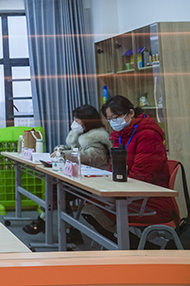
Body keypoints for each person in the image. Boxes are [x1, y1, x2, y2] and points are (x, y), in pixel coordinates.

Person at [81, 95, 174, 248]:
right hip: (129, 193)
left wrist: (113, 190)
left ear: (130, 113)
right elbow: (114, 169)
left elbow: (143, 175)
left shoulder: (148, 134)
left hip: (150, 199)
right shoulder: (120, 135)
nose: (113, 122)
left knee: (94, 209)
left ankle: (144, 249)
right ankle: (137, 247)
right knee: (90, 206)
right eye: (109, 119)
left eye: (115, 117)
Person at [23, 104, 112, 243]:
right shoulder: (80, 136)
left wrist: (63, 154)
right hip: (81, 179)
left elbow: (86, 156)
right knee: (57, 189)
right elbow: (73, 150)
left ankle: (45, 222)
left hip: (95, 183)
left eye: (77, 121)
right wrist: (60, 149)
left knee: (58, 192)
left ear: (86, 121)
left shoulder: (98, 140)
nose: (74, 123)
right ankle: (68, 230)